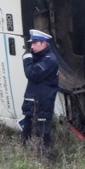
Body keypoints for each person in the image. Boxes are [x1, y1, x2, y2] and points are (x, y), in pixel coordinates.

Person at [20, 29, 59, 158]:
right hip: (32, 105)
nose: (32, 46)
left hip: (42, 105)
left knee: (42, 136)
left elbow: (33, 74)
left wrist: (26, 60)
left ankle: (45, 164)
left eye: (35, 43)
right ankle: (26, 161)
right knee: (26, 136)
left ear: (44, 44)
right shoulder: (39, 58)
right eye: (31, 44)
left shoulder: (49, 60)